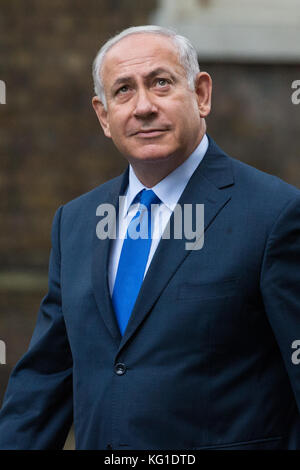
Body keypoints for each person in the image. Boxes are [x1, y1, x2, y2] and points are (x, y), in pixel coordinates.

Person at [0, 25, 299, 450]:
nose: (143, 107)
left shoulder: (275, 214)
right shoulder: (76, 222)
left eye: (160, 83)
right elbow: (46, 378)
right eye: (123, 90)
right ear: (104, 117)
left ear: (201, 94)